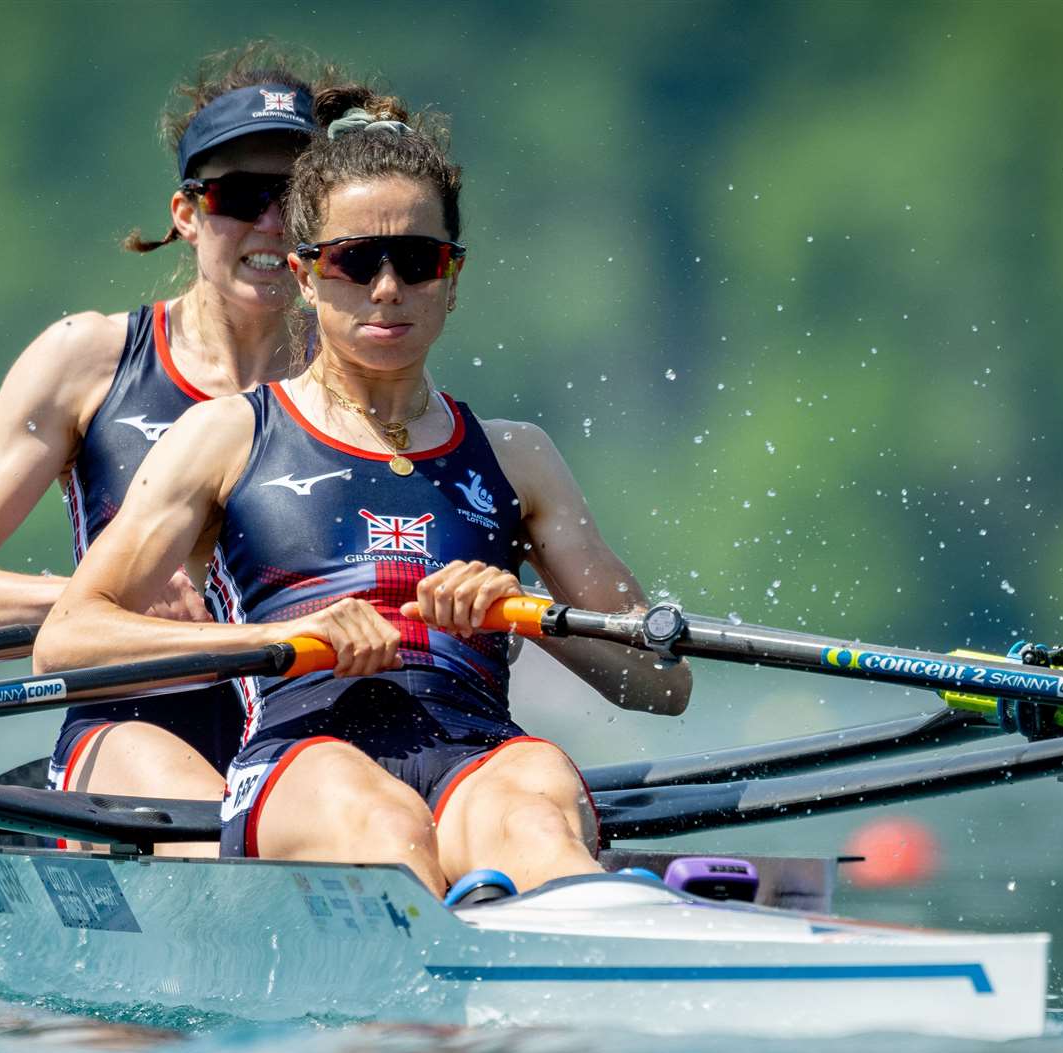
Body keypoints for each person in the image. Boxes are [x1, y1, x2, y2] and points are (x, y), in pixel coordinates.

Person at [34, 87, 691, 896]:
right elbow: (67, 641)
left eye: (416, 261)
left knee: (533, 818)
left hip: (479, 749)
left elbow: (662, 683)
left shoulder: (519, 457)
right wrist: (280, 638)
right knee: (382, 828)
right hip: (305, 757)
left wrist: (517, 607)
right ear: (308, 276)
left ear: (452, 278)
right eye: (354, 260)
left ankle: (562, 941)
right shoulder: (226, 436)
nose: (386, 289)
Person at [0, 44, 341, 852]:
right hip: (131, 733)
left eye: (297, 198)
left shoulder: (355, 383)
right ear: (187, 214)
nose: (272, 223)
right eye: (242, 197)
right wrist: (90, 599)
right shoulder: (91, 360)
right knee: (227, 839)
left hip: (303, 739)